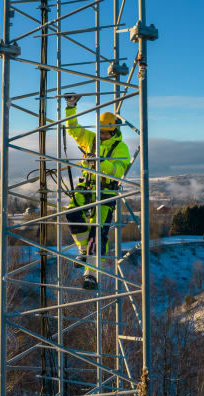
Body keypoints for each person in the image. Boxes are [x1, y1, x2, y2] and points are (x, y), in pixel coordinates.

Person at [63, 93, 130, 290]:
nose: (101, 136)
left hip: (105, 192)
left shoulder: (121, 148)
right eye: (100, 132)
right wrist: (70, 108)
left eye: (105, 134)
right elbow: (74, 130)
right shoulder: (91, 139)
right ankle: (83, 249)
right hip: (87, 186)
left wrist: (101, 164)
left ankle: (90, 275)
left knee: (97, 231)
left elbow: (118, 171)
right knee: (72, 213)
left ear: (113, 132)